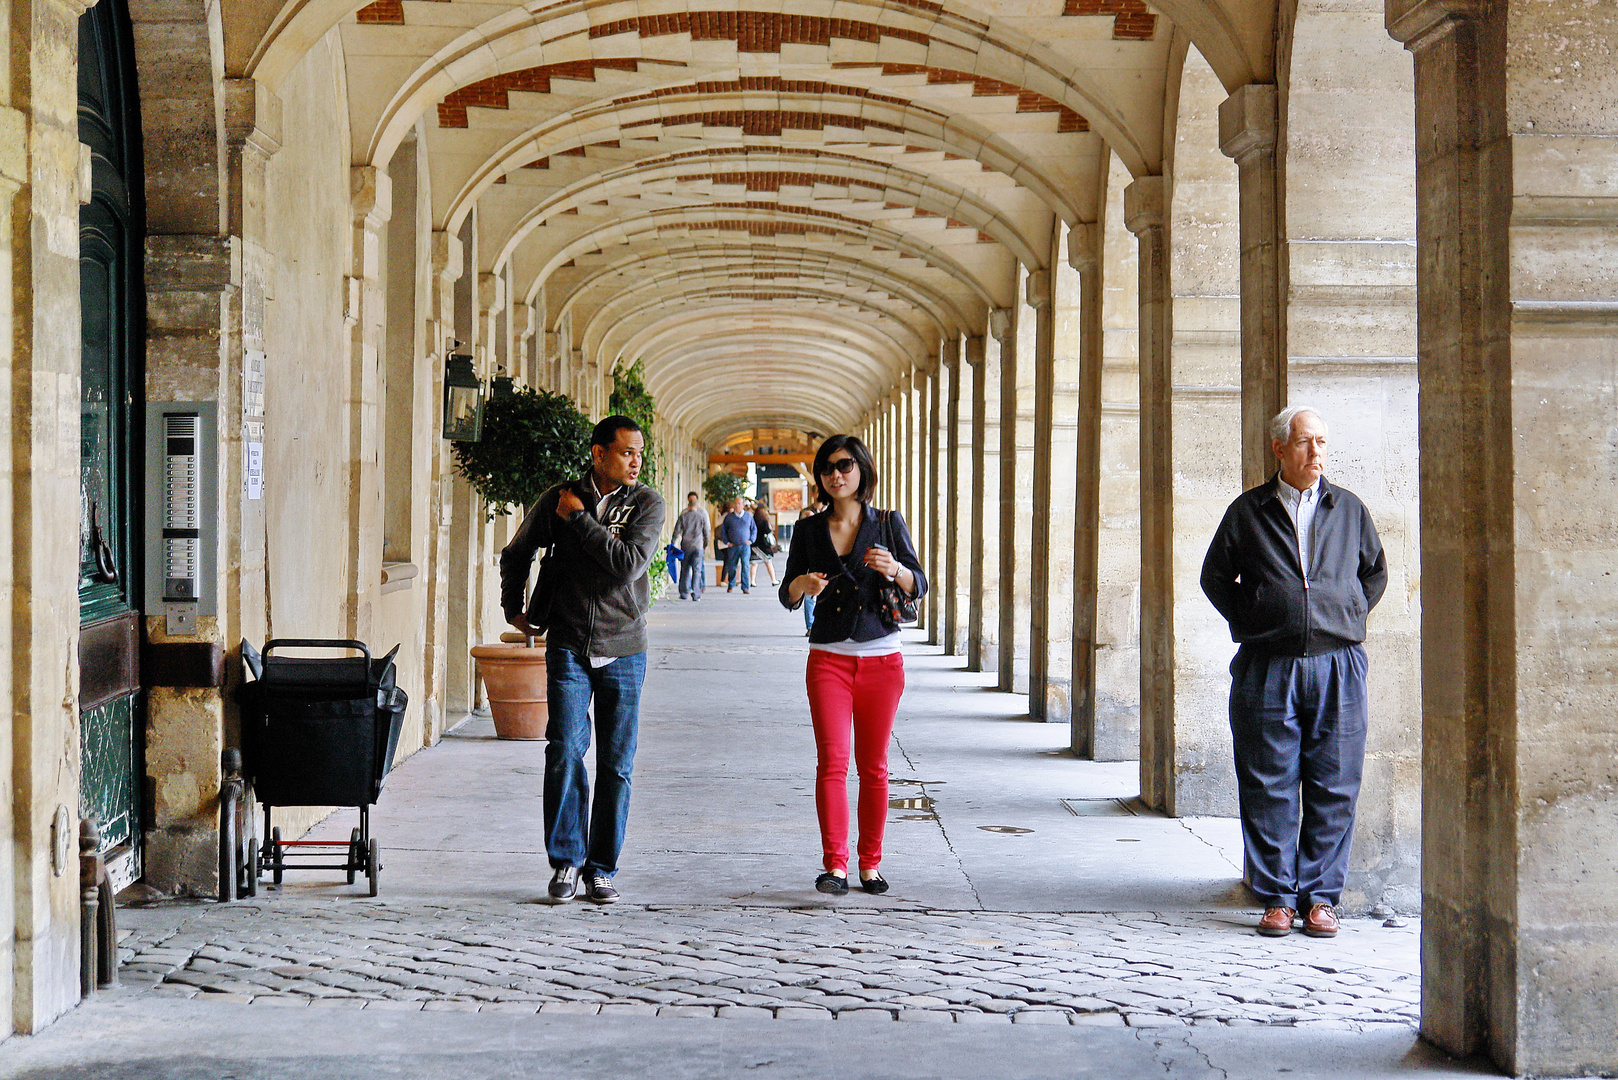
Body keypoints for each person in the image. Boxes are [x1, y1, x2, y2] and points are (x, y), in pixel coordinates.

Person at [1200, 405, 1386, 939]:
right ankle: (1278, 897)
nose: (1316, 454)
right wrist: (1255, 616)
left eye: (1322, 443)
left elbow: (1373, 573)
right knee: (1267, 781)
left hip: (1338, 665)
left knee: (1335, 782)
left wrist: (1342, 613)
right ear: (1279, 448)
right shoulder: (1249, 512)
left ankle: (1321, 899)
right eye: (1305, 443)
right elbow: (1215, 576)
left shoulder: (1348, 509)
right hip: (1268, 664)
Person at [499, 415, 667, 905]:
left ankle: (602, 869)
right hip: (568, 642)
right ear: (599, 453)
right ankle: (566, 862)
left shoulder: (647, 504)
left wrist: (580, 519)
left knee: (616, 764)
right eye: (626, 452)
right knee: (565, 750)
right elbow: (517, 552)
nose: (636, 461)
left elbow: (626, 565)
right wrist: (515, 608)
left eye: (640, 453)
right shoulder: (558, 498)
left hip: (624, 647)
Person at [780, 434, 925, 896]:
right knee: (832, 762)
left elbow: (918, 583)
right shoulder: (807, 530)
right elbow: (787, 594)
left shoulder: (886, 523)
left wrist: (894, 570)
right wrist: (802, 583)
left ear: (861, 469)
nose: (835, 475)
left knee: (875, 766)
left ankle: (870, 864)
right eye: (826, 469)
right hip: (829, 660)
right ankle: (835, 866)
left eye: (844, 465)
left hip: (882, 659)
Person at [671, 491, 710, 601]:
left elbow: (677, 531)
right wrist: (705, 544)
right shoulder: (701, 516)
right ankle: (696, 594)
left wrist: (673, 543)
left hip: (686, 546)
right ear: (697, 506)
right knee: (697, 570)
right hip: (698, 546)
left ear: (688, 505)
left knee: (685, 569)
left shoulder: (683, 516)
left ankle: (684, 593)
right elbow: (706, 532)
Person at [717, 496, 757, 593]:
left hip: (745, 545)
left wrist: (751, 540)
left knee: (745, 566)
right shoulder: (729, 517)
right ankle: (731, 585)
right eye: (736, 503)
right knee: (732, 566)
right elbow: (723, 531)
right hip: (733, 546)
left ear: (743, 505)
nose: (737, 505)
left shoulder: (748, 517)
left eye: (739, 504)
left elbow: (754, 529)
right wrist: (727, 542)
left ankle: (745, 587)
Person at [749, 501, 779, 587]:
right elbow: (768, 532)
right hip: (764, 546)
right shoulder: (764, 522)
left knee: (754, 564)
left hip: (754, 546)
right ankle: (773, 580)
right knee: (768, 563)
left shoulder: (753, 521)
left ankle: (753, 581)